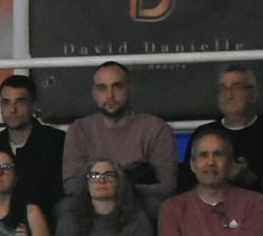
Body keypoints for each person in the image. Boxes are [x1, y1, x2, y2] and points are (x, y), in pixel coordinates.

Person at [62, 61, 178, 209]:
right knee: (65, 208)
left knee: (158, 206)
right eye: (102, 88)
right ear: (94, 93)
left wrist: (117, 188)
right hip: (92, 204)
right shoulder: (79, 129)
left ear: (130, 89)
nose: (110, 95)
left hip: (140, 203)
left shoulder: (157, 129)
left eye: (117, 86)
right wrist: (109, 189)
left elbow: (168, 186)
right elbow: (71, 185)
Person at [187, 64, 263, 203]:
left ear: (254, 93)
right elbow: (186, 185)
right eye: (223, 89)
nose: (229, 95)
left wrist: (251, 179)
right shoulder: (204, 134)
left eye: (236, 87)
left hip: (262, 212)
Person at [0, 74, 67, 226]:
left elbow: (59, 192)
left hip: (46, 222)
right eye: (6, 103)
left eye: (20, 102)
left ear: (34, 105)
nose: (12, 110)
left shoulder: (57, 141)